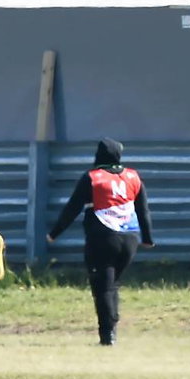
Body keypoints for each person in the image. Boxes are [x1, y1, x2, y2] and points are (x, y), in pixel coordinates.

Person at [46, 138, 154, 346]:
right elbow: (143, 210)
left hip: (103, 238)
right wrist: (148, 239)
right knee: (112, 285)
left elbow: (72, 208)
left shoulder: (93, 178)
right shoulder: (133, 177)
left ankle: (108, 335)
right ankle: (112, 325)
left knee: (102, 287)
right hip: (130, 239)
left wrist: (54, 234)